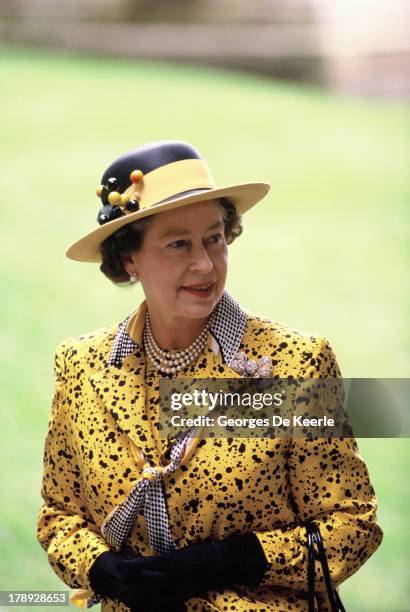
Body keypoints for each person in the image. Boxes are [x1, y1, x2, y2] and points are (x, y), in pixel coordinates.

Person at [37, 141, 383, 611]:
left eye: (214, 238)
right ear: (128, 259)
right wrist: (100, 568)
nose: (205, 264)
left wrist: (236, 558)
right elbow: (60, 516)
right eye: (179, 243)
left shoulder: (294, 362)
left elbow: (351, 526)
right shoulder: (81, 366)